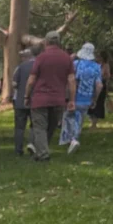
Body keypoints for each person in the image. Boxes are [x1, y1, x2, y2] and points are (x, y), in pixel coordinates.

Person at [25, 30, 75, 162]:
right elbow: (71, 80)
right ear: (59, 42)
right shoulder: (66, 58)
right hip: (58, 100)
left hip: (40, 99)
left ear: (46, 42)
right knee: (51, 126)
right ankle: (42, 150)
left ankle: (43, 154)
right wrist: (72, 100)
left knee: (39, 127)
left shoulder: (41, 57)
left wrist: (26, 96)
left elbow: (31, 80)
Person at [60, 42, 103, 154]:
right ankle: (74, 139)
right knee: (79, 119)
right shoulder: (97, 67)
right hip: (87, 98)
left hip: (73, 96)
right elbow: (99, 85)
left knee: (69, 118)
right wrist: (95, 99)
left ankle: (72, 140)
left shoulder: (75, 64)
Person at [12, 48, 35, 156]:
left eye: (22, 56)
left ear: (26, 57)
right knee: (34, 125)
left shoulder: (20, 67)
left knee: (20, 127)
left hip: (21, 101)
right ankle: (32, 144)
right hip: (35, 101)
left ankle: (18, 149)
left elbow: (14, 84)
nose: (21, 58)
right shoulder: (38, 66)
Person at [88, 51, 110, 127]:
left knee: (99, 104)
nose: (97, 58)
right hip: (92, 85)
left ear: (103, 58)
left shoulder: (105, 65)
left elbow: (107, 77)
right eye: (97, 56)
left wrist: (101, 78)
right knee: (91, 103)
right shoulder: (93, 65)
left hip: (101, 86)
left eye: (99, 56)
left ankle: (94, 123)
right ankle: (91, 119)